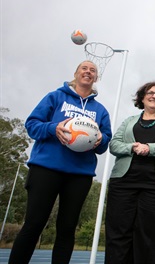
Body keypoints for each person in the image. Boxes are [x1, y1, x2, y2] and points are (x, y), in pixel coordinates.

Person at [9, 60, 112, 264]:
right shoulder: (55, 97)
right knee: (34, 224)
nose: (88, 72)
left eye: (93, 70)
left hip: (79, 175)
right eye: (84, 68)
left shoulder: (100, 110)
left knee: (67, 228)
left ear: (96, 78)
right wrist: (53, 128)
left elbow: (104, 142)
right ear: (75, 73)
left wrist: (101, 140)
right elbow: (32, 125)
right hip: (46, 169)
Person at [105, 81, 155, 264]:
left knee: (149, 236)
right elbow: (114, 144)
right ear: (142, 97)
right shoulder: (129, 121)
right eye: (150, 92)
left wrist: (149, 148)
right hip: (124, 183)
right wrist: (132, 147)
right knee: (118, 233)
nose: (154, 96)